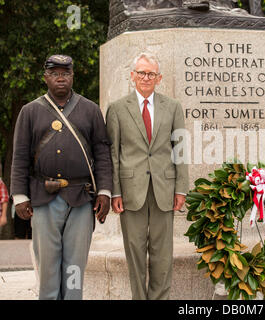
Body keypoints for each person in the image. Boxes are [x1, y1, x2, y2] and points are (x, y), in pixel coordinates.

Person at [10, 54, 113, 300]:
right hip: (43, 197)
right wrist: (20, 195)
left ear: (72, 76)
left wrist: (105, 191)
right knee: (47, 264)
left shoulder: (90, 110)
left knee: (75, 264)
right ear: (45, 77)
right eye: (54, 73)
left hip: (80, 197)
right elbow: (20, 155)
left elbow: (102, 152)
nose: (60, 78)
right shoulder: (30, 111)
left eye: (65, 73)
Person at [106, 53, 189, 300]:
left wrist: (181, 189)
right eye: (141, 72)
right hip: (131, 192)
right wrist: (115, 191)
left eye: (151, 73)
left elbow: (180, 150)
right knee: (135, 253)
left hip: (165, 189)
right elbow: (113, 153)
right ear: (132, 76)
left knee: (163, 254)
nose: (145, 77)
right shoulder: (117, 109)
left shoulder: (173, 107)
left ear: (159, 78)